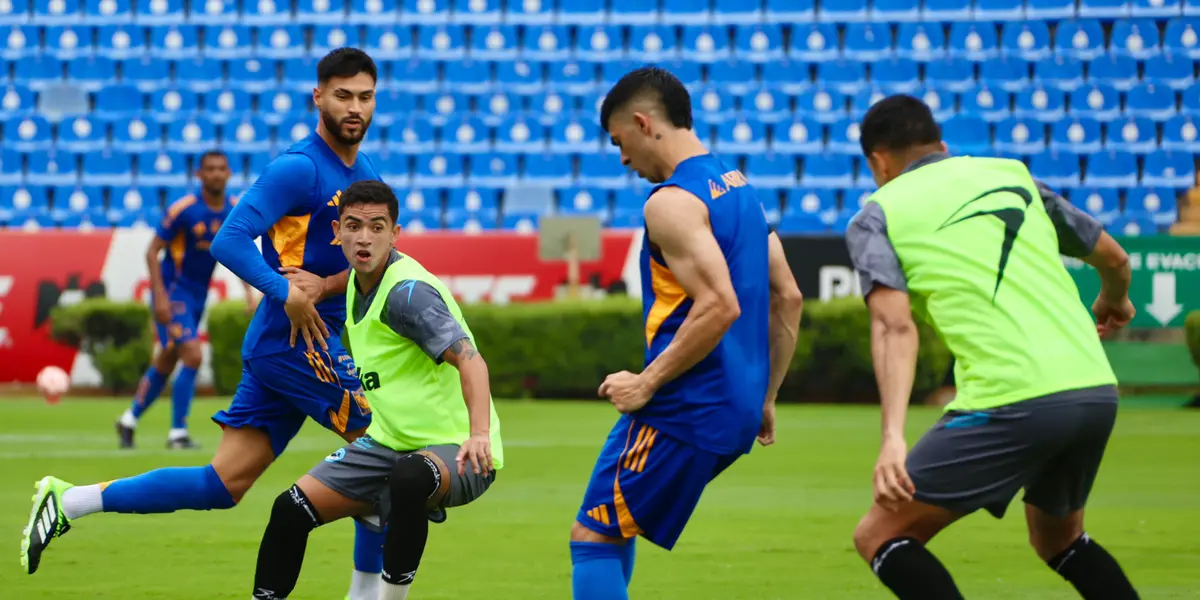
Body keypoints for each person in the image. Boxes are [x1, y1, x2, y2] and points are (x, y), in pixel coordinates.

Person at [22, 47, 391, 600]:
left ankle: (69, 501)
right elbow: (230, 239)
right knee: (384, 453)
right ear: (319, 97)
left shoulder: (363, 174)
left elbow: (354, 268)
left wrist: (324, 285)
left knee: (221, 484)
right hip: (296, 342)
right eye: (342, 95)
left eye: (364, 96)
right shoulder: (300, 167)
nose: (354, 106)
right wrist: (282, 288)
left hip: (295, 342)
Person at [846, 94, 1140, 600]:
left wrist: (892, 437)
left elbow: (895, 327)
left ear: (878, 160)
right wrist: (1115, 302)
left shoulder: (877, 214)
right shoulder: (1012, 175)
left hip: (1012, 399)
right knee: (1060, 539)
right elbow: (1113, 259)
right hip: (1093, 390)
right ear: (941, 145)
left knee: (881, 535)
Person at [569, 66, 804, 600]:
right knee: (610, 522)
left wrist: (646, 383)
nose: (623, 159)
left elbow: (719, 305)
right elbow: (788, 296)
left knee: (592, 537)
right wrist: (766, 396)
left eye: (619, 143)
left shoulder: (670, 202)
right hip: (736, 407)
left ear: (642, 122)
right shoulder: (740, 189)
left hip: (684, 407)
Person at [251, 180, 503, 600]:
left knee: (408, 479)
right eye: (353, 226)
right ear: (337, 232)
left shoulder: (408, 295)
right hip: (387, 444)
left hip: (458, 450)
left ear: (395, 234)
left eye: (377, 226)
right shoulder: (357, 279)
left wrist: (479, 434)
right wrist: (320, 285)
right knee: (289, 510)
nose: (364, 237)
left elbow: (472, 360)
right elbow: (347, 277)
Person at [115, 150, 258, 450]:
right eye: (210, 169)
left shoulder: (233, 211)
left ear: (229, 173)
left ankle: (129, 419)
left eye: (221, 168)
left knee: (168, 358)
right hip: (174, 291)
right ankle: (177, 432)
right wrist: (160, 297)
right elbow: (152, 251)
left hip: (197, 295)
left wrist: (248, 290)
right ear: (199, 174)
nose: (216, 174)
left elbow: (237, 255)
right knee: (192, 355)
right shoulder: (184, 209)